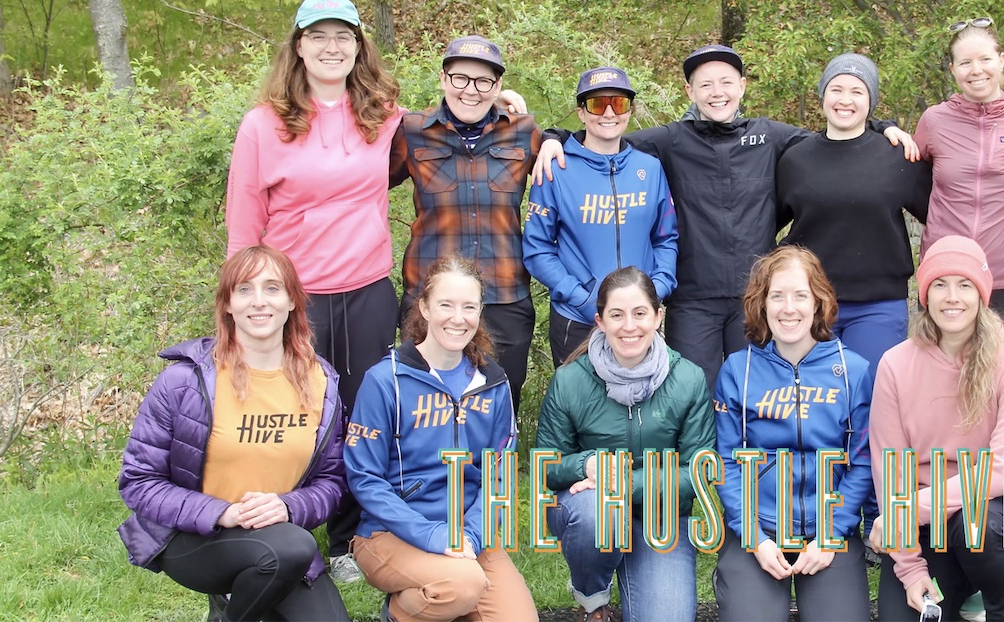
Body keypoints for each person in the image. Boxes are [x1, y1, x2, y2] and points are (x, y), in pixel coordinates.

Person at [533, 44, 917, 387]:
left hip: (753, 296)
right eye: (705, 85)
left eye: (726, 82)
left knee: (755, 393)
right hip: (693, 300)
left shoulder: (770, 136)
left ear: (742, 86)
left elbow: (834, 138)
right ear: (690, 91)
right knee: (695, 393)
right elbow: (606, 136)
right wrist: (554, 138)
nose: (717, 92)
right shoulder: (670, 140)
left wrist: (881, 128)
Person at [224, 0, 401, 580]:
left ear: (358, 46)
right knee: (294, 415)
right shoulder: (263, 124)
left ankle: (349, 539)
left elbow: (451, 126)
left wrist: (511, 109)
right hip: (293, 298)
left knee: (363, 415)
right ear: (298, 46)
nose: (332, 47)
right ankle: (284, 534)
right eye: (318, 35)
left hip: (368, 289)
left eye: (343, 36)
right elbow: (244, 224)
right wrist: (244, 303)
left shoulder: (382, 114)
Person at [118, 245, 349, 621]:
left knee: (299, 565)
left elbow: (333, 482)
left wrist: (289, 506)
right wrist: (221, 512)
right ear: (227, 304)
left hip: (282, 535)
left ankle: (241, 603)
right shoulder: (184, 381)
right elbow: (138, 482)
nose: (259, 301)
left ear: (292, 300)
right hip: (198, 535)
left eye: (272, 288)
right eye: (244, 289)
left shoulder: (321, 381)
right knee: (291, 547)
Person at [344, 257, 537, 622]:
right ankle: (402, 612)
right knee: (462, 585)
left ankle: (433, 600)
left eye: (469, 307)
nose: (458, 318)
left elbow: (499, 475)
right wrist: (433, 536)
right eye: (446, 305)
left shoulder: (493, 383)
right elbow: (365, 478)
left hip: (467, 536)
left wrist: (473, 537)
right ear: (424, 308)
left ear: (480, 311)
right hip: (390, 534)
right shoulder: (386, 380)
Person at [867, 236, 1004, 622]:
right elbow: (890, 470)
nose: (952, 297)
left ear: (981, 294)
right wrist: (910, 566)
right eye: (940, 285)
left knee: (977, 529)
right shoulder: (896, 365)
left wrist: (907, 512)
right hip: (925, 517)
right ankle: (963, 588)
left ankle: (1001, 607)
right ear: (924, 295)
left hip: (1001, 509)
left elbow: (1002, 469)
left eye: (965, 285)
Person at [534, 267, 714, 622]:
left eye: (640, 313)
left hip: (660, 518)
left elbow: (699, 472)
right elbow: (547, 465)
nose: (629, 326)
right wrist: (585, 464)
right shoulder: (569, 381)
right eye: (617, 315)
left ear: (658, 317)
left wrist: (626, 484)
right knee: (598, 514)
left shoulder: (688, 379)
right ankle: (591, 597)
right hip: (591, 510)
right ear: (600, 321)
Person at [711, 246, 874, 622]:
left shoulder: (853, 371)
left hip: (828, 531)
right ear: (762, 303)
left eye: (800, 295)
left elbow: (863, 461)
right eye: (777, 296)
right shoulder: (738, 371)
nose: (789, 308)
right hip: (759, 529)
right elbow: (727, 462)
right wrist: (753, 536)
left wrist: (832, 533)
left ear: (818, 302)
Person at [390, 35, 542, 410]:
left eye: (483, 81)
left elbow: (576, 163)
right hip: (430, 297)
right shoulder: (412, 131)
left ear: (498, 86)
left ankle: (494, 454)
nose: (471, 90)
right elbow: (359, 177)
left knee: (499, 404)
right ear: (444, 79)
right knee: (425, 407)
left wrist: (555, 139)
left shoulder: (524, 132)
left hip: (504, 297)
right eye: (461, 78)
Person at [774, 53, 930, 367]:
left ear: (870, 101)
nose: (845, 100)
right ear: (822, 96)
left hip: (879, 305)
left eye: (857, 91)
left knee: (871, 392)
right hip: (809, 303)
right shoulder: (795, 160)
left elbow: (940, 217)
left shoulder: (897, 156)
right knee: (814, 393)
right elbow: (763, 225)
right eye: (836, 89)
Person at [914, 18, 1004, 350]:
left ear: (1002, 60)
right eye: (965, 62)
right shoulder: (934, 121)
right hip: (948, 273)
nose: (976, 70)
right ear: (952, 69)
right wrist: (884, 128)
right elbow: (909, 182)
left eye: (985, 59)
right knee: (942, 371)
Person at [523, 68, 678, 367]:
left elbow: (665, 238)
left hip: (639, 319)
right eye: (597, 104)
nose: (608, 113)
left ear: (629, 111)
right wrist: (580, 297)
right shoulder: (555, 168)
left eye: (618, 104)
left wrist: (656, 290)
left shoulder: (650, 169)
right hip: (578, 318)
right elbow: (537, 248)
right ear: (581, 112)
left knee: (642, 396)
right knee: (578, 397)